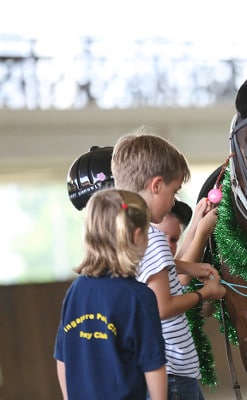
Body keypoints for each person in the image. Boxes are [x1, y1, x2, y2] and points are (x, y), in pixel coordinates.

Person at [111, 128, 226, 400]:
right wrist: (204, 294)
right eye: (174, 192)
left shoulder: (125, 232)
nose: (174, 200)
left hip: (148, 367)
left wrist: (187, 267)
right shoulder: (154, 237)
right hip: (173, 370)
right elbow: (162, 307)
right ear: (156, 185)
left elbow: (150, 275)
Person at [54, 188, 167, 400]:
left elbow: (63, 358)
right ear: (136, 236)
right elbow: (153, 366)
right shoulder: (139, 297)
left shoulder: (76, 291)